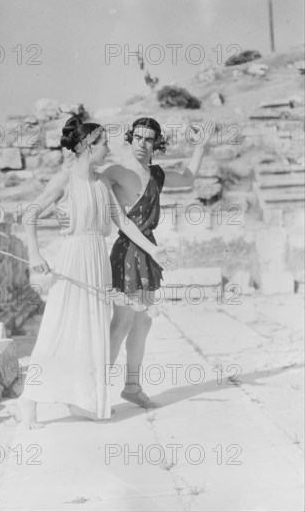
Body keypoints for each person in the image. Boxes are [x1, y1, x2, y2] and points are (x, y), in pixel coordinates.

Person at [19, 116, 174, 428]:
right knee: (58, 330)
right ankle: (28, 403)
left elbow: (124, 222)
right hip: (73, 257)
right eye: (103, 143)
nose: (109, 149)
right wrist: (34, 254)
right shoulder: (63, 180)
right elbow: (29, 214)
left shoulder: (102, 182)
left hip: (97, 260)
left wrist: (154, 249)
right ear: (86, 146)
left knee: (90, 332)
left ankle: (84, 400)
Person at [58, 117, 214, 408]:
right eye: (138, 138)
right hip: (127, 251)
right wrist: (65, 212)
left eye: (149, 139)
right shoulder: (116, 171)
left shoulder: (157, 175)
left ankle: (132, 386)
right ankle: (90, 392)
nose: (142, 144)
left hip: (149, 252)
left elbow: (189, 178)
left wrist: (201, 147)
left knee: (143, 324)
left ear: (157, 143)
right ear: (130, 139)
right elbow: (84, 182)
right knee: (122, 322)